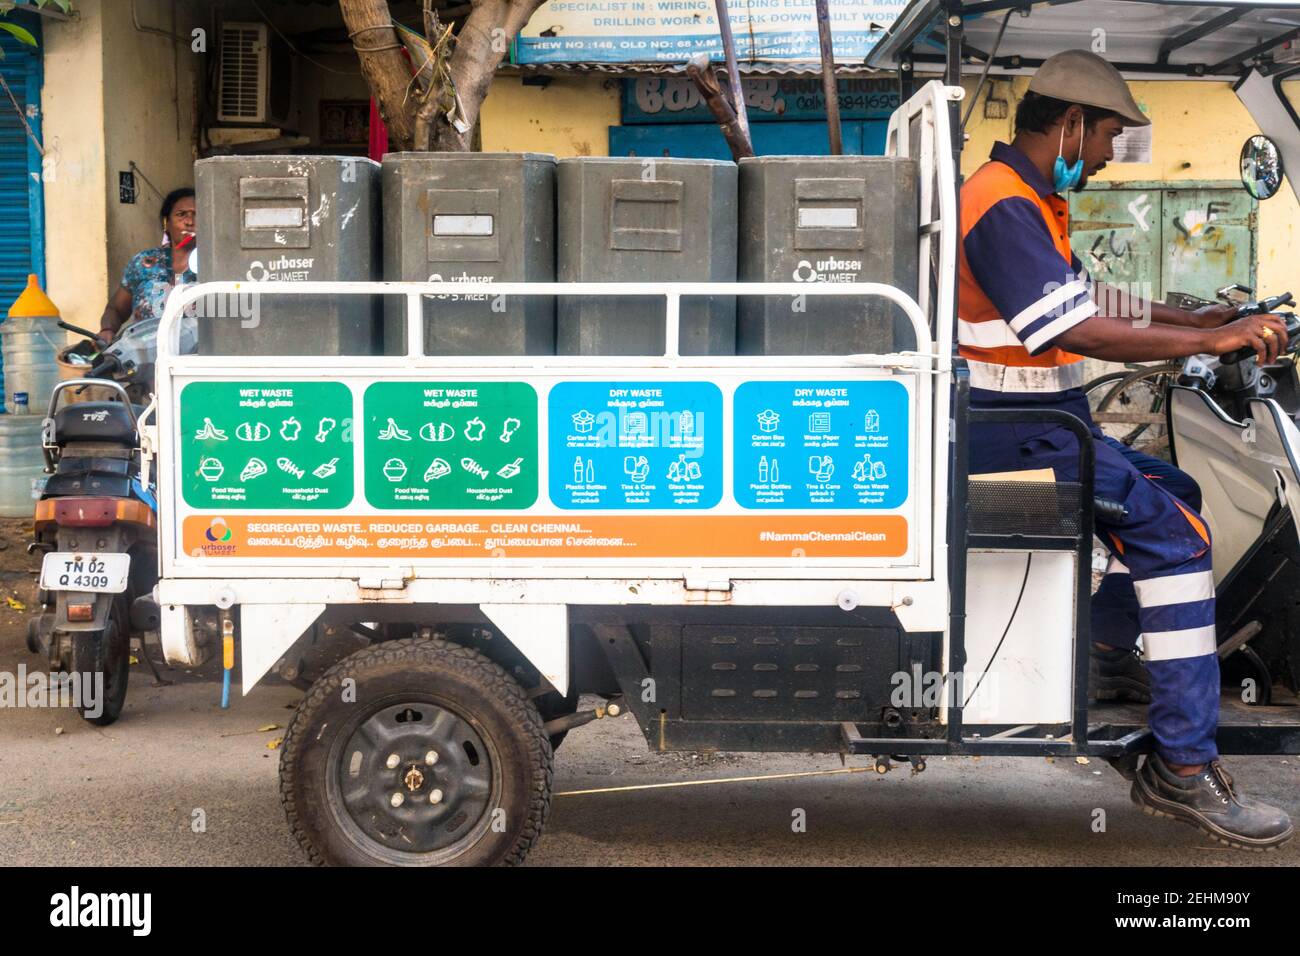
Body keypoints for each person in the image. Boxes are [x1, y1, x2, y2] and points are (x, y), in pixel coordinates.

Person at [960, 49, 1293, 849]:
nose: (1109, 155)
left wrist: (1197, 320)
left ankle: (1108, 653)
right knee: (1179, 540)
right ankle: (1182, 766)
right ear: (1070, 124)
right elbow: (1071, 328)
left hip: (1041, 429)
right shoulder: (1002, 205)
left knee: (1175, 485)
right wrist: (1213, 337)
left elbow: (1094, 297)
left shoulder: (1028, 199)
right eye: (1109, 136)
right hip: (1015, 445)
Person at [99, 187, 197, 342]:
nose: (190, 222)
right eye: (181, 214)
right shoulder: (144, 263)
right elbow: (116, 309)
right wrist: (107, 330)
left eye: (197, 215)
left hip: (193, 359)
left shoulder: (216, 265)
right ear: (167, 223)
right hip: (142, 354)